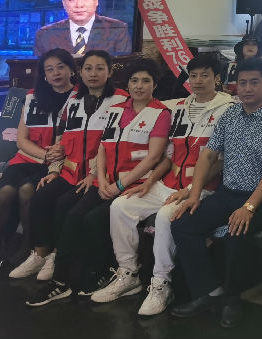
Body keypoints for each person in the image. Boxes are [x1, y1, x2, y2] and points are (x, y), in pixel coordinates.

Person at [89, 55, 234, 315]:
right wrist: (150, 182)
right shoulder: (180, 107)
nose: (198, 81)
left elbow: (222, 160)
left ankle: (161, 284)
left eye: (205, 75)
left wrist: (191, 190)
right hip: (168, 182)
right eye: (194, 76)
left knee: (166, 215)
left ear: (217, 78)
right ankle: (128, 273)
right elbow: (168, 155)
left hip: (202, 187)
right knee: (121, 206)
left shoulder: (228, 110)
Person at [25, 58, 170, 306]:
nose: (139, 86)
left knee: (94, 219)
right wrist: (100, 179)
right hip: (105, 181)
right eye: (134, 80)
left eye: (146, 81)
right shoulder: (117, 110)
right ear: (128, 83)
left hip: (133, 184)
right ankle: (61, 280)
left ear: (154, 85)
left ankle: (100, 272)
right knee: (72, 214)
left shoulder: (161, 113)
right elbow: (103, 148)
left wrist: (119, 186)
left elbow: (154, 157)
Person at [171, 57, 262, 328]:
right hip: (228, 192)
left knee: (235, 234)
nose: (247, 88)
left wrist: (249, 207)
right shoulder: (230, 115)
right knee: (183, 225)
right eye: (242, 83)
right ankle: (209, 291)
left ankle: (232, 299)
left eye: (254, 82)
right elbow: (208, 155)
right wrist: (194, 194)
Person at [9, 50, 128, 285]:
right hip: (70, 172)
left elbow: (113, 144)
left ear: (109, 72)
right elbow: (62, 140)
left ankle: (56, 257)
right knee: (41, 196)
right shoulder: (74, 102)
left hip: (98, 174)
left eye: (100, 68)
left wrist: (94, 174)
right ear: (80, 72)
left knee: (65, 205)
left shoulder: (121, 101)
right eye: (88, 68)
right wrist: (54, 169)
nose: (93, 74)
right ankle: (40, 254)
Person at [0, 49, 75, 276]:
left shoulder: (81, 99)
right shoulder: (32, 97)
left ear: (71, 69)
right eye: (49, 69)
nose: (56, 73)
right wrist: (43, 155)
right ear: (44, 75)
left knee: (27, 191)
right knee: (5, 192)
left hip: (57, 164)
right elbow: (21, 140)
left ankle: (29, 246)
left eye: (60, 67)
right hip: (28, 158)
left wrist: (52, 158)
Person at [33, 0, 131, 56]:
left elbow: (121, 68)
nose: (79, 5)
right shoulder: (45, 34)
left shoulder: (118, 30)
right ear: (64, 3)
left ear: (96, 0)